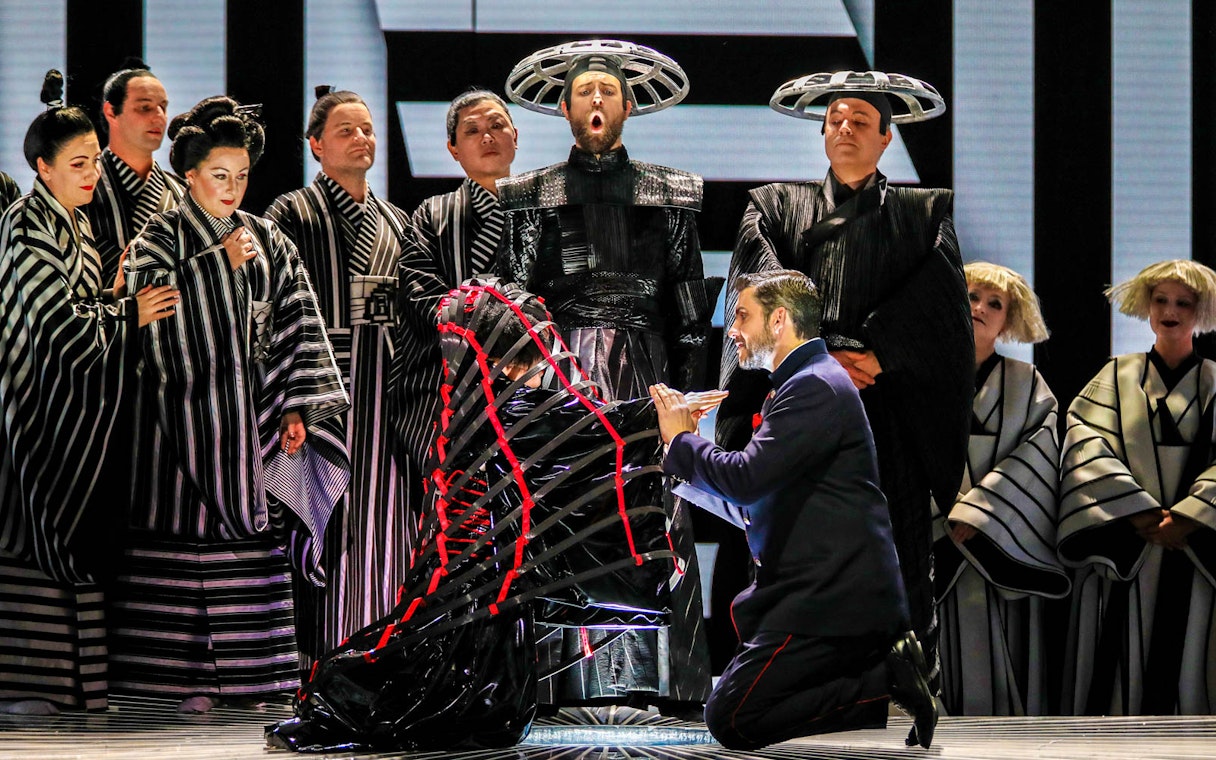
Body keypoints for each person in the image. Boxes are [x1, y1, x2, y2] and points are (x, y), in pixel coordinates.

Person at [268, 278, 713, 752]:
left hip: (486, 567)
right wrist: (657, 417)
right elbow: (583, 429)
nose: (545, 364)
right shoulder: (499, 407)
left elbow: (577, 428)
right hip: (471, 567)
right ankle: (344, 699)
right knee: (438, 659)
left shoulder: (484, 399)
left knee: (478, 681)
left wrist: (655, 415)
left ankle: (400, 701)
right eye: (535, 355)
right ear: (510, 359)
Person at [719, 70, 973, 686]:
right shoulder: (776, 206)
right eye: (835, 119)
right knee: (794, 543)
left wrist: (881, 352)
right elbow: (757, 290)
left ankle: (901, 685)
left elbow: (939, 309)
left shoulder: (922, 212)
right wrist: (819, 359)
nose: (844, 129)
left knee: (897, 544)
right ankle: (799, 685)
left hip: (884, 406)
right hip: (799, 409)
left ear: (887, 137)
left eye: (861, 121)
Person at [109, 95, 350, 714]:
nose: (233, 188)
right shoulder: (158, 239)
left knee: (251, 548)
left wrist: (296, 404)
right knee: (176, 554)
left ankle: (255, 682)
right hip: (174, 431)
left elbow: (298, 316)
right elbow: (153, 325)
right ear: (189, 176)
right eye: (220, 175)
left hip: (253, 423)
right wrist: (217, 267)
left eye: (241, 176)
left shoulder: (268, 238)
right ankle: (169, 685)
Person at [497, 38, 714, 709]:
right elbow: (518, 297)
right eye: (585, 92)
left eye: (608, 92)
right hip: (566, 374)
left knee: (657, 507)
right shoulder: (531, 193)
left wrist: (693, 393)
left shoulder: (669, 192)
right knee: (563, 514)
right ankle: (559, 679)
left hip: (649, 371)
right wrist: (521, 389)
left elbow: (686, 299)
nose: (597, 102)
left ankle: (665, 679)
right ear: (564, 107)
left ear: (628, 106)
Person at [651, 269, 937, 749]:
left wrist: (681, 439)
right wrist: (690, 446)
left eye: (742, 315)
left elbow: (744, 478)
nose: (734, 330)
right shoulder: (806, 381)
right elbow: (751, 499)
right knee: (732, 709)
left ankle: (882, 680)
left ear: (779, 319)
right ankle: (880, 677)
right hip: (812, 591)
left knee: (732, 718)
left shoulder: (813, 385)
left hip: (827, 596)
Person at [0, 69, 177, 716]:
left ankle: (74, 687)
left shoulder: (71, 223)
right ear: (42, 167)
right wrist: (127, 311)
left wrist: (115, 296)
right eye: (75, 164)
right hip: (36, 402)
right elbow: (52, 324)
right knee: (32, 534)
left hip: (73, 406)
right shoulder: (27, 224)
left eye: (92, 163)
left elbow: (80, 308)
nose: (89, 175)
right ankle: (27, 687)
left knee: (68, 540)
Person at [265, 87, 414, 661]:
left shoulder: (396, 222)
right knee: (316, 523)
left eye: (368, 129)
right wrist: (293, 398)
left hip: (380, 398)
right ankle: (313, 663)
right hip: (315, 397)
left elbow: (394, 320)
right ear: (316, 145)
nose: (361, 139)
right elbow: (274, 310)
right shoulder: (291, 214)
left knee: (380, 530)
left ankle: (374, 659)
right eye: (346, 130)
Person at [1059, 259, 1216, 715]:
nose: (1171, 310)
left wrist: (1190, 515)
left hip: (1196, 548)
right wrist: (1139, 511)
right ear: (1147, 307)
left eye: (1183, 302)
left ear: (1199, 311)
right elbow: (1084, 441)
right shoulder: (1114, 375)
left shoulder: (1213, 381)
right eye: (1161, 300)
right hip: (1129, 542)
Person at [935, 262, 1069, 716]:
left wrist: (979, 513)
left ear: (1009, 319)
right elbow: (903, 449)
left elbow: (1039, 453)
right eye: (973, 296)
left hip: (1001, 543)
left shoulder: (1028, 383)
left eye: (996, 304)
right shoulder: (922, 373)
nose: (981, 308)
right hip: (935, 537)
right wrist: (944, 513)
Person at [393, 88, 518, 477]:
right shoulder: (432, 214)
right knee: (453, 525)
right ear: (453, 149)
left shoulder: (542, 209)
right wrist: (480, 333)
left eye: (497, 125)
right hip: (445, 388)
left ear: (516, 135)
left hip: (524, 381)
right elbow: (416, 289)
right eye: (472, 130)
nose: (487, 136)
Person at [86, 63, 185, 285]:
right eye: (145, 108)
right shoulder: (83, 184)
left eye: (163, 107)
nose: (159, 117)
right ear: (111, 111)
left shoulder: (182, 192)